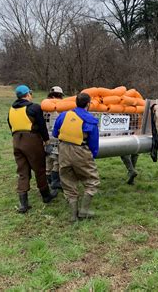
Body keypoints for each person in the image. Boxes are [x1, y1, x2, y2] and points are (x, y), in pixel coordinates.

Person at [7, 85, 57, 213]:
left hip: (16, 141)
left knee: (22, 171)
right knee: (39, 168)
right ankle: (46, 196)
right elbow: (42, 126)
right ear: (28, 94)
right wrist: (47, 142)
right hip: (31, 141)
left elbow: (10, 124)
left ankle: (23, 204)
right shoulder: (34, 107)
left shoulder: (11, 109)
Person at [53, 93, 100, 222]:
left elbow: (55, 133)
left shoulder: (63, 115)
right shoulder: (90, 120)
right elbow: (94, 143)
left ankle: (73, 215)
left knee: (68, 181)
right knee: (92, 180)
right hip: (81, 150)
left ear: (76, 102)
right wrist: (91, 156)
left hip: (63, 150)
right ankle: (84, 210)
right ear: (88, 104)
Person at [43, 86, 64, 193]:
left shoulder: (44, 106)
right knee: (57, 160)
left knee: (48, 159)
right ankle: (55, 183)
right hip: (57, 137)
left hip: (45, 138)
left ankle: (48, 181)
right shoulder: (61, 108)